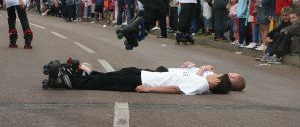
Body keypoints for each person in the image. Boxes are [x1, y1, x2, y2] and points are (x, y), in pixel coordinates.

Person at [43, 60, 232, 95]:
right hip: (145, 74)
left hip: (145, 81)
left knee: (107, 83)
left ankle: (70, 81)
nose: (214, 74)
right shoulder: (201, 81)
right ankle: (79, 73)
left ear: (216, 81)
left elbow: (176, 89)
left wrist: (150, 89)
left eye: (217, 75)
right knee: (111, 76)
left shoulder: (201, 85)